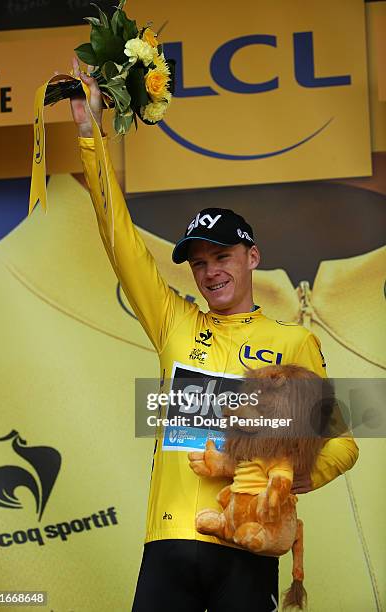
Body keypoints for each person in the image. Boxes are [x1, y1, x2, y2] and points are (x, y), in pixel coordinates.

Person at [70, 59, 359, 612]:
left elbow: (343, 442)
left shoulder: (293, 342)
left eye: (222, 256)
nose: (210, 272)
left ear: (253, 257)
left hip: (248, 546)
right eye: (198, 263)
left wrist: (292, 478)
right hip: (171, 543)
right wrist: (91, 138)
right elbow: (120, 241)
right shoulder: (174, 320)